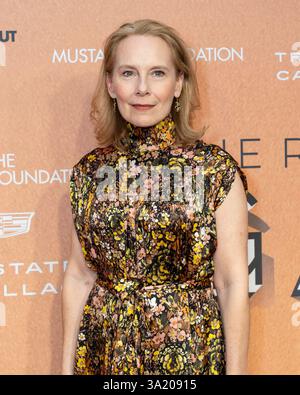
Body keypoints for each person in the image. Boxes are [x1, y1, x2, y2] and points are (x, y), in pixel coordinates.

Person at [62, 19, 250, 375]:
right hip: (107, 354)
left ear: (179, 84)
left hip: (190, 355)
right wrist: (64, 370)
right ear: (110, 84)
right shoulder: (89, 172)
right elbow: (79, 276)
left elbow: (232, 282)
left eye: (158, 73)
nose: (142, 88)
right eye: (129, 73)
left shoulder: (213, 171)